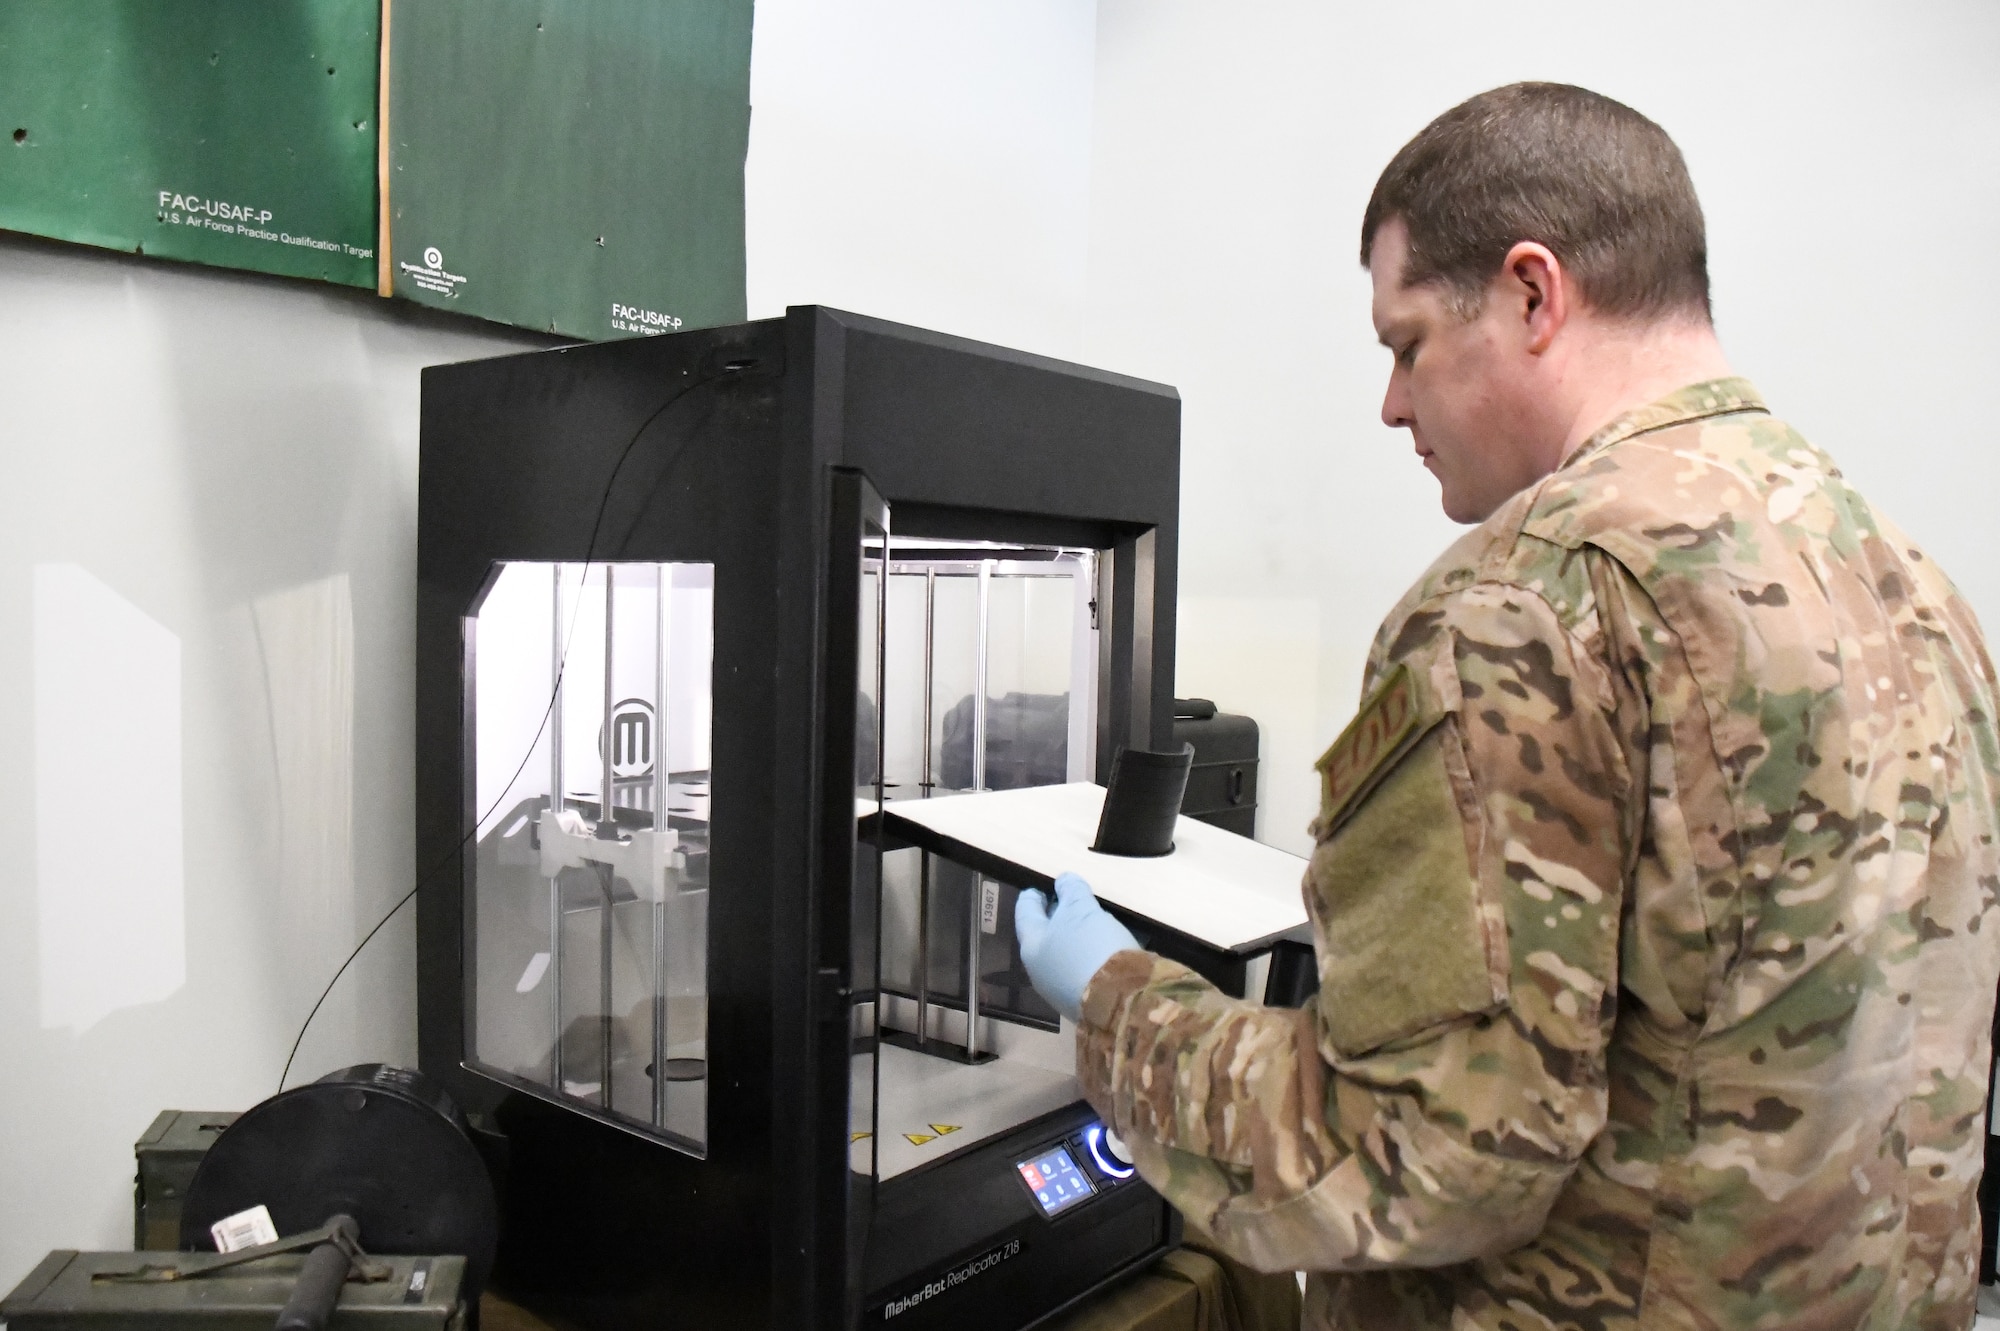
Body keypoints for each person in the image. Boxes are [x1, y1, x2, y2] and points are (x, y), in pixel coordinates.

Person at [1014, 82, 2000, 1329]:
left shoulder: (1525, 604)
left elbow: (1411, 1158)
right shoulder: (1897, 574)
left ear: (1533, 294)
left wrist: (1111, 998)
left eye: (1406, 340)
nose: (1389, 401)